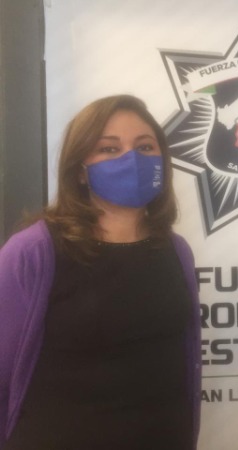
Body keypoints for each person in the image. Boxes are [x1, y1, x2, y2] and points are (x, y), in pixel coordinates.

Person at [0, 95, 201, 449]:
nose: (131, 159)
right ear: (80, 170)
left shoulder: (175, 250)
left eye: (145, 147)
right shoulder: (33, 252)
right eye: (109, 149)